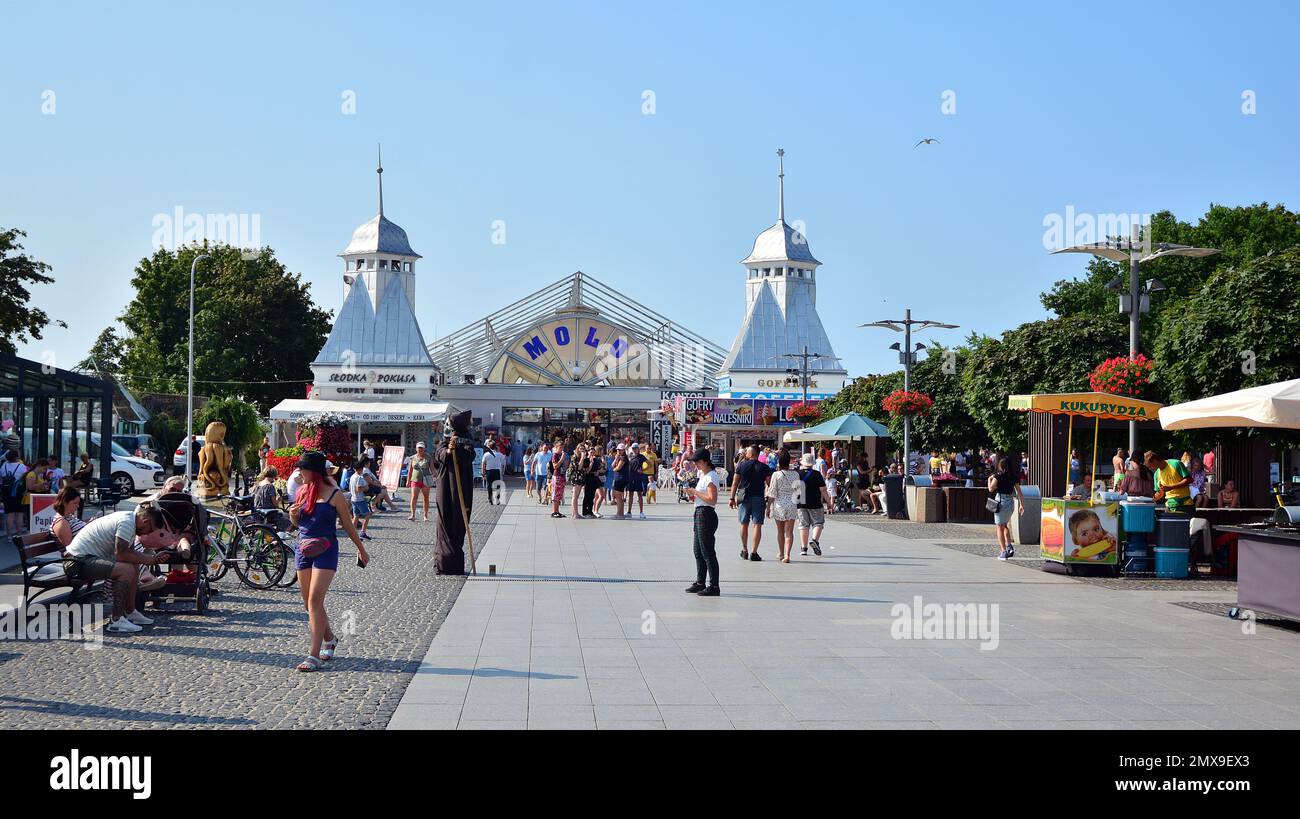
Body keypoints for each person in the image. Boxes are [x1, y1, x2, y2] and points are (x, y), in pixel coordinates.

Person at [288, 451, 369, 671]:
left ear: (313, 471)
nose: (299, 473)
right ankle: (331, 638)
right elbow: (297, 523)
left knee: (314, 600)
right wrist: (293, 515)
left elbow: (347, 525)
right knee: (308, 603)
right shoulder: (302, 491)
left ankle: (313, 655)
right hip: (303, 548)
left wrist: (361, 549)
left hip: (327, 549)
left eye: (302, 469)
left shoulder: (335, 495)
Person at [64, 504, 174, 633]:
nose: (148, 533)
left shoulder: (129, 520)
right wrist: (150, 560)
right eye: (150, 530)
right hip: (76, 563)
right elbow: (121, 554)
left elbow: (130, 554)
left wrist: (153, 558)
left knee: (133, 565)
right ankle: (116, 620)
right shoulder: (127, 523)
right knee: (126, 570)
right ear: (146, 521)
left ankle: (130, 611)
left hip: (83, 559)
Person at [434, 411, 477, 574]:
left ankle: (454, 561)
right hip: (446, 488)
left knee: (459, 522)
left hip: (462, 491)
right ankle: (443, 562)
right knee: (445, 520)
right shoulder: (446, 441)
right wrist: (448, 451)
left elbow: (468, 456)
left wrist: (456, 451)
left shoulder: (467, 442)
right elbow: (439, 454)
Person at [682, 447, 721, 597]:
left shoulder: (711, 477)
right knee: (698, 550)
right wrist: (694, 496)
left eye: (697, 462)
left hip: (706, 514)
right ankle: (700, 582)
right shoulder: (704, 475)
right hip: (699, 512)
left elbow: (712, 500)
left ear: (705, 461)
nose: (696, 465)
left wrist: (696, 492)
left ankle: (714, 585)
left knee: (707, 551)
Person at [729, 445, 771, 561]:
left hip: (744, 498)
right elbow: (769, 484)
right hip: (758, 498)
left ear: (751, 454)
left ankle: (744, 549)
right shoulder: (764, 467)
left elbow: (734, 483)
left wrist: (732, 498)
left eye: (747, 452)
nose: (746, 454)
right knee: (757, 525)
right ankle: (754, 552)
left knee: (744, 524)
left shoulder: (741, 465)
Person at [765, 449, 801, 562]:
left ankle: (781, 553)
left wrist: (768, 507)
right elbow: (798, 491)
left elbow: (772, 492)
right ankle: (787, 555)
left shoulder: (776, 474)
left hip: (779, 505)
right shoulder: (795, 474)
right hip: (792, 504)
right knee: (789, 532)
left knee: (780, 531)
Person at [796, 452, 832, 558]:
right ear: (812, 463)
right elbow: (823, 490)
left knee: (803, 525)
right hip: (815, 502)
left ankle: (803, 548)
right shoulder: (817, 474)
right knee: (818, 523)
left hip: (801, 503)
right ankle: (815, 540)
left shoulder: (797, 474)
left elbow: (794, 490)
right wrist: (829, 503)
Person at [2, 450, 30, 539]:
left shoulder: (3, 466)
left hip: (6, 491)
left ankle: (9, 536)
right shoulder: (21, 466)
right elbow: (26, 477)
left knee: (9, 514)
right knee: (19, 514)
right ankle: (19, 535)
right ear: (16, 457)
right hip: (18, 491)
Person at [348, 458, 374, 540]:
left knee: (356, 516)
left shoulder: (352, 476)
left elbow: (350, 488)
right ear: (361, 469)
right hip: (359, 499)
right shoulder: (359, 477)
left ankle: (352, 534)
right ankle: (363, 532)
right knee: (368, 514)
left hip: (353, 498)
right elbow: (358, 489)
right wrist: (366, 487)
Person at [407, 442, 433, 522]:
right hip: (415, 479)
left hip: (426, 480)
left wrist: (437, 476)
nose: (420, 449)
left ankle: (425, 515)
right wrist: (408, 480)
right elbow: (410, 470)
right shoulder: (413, 458)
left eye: (421, 448)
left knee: (426, 498)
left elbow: (432, 469)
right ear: (416, 449)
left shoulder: (428, 457)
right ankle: (413, 514)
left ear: (424, 449)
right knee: (414, 497)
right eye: (419, 448)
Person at [625, 442, 648, 519]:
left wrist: (643, 470)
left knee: (639, 495)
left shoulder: (641, 457)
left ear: (638, 449)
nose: (635, 449)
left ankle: (641, 512)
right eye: (633, 448)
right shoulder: (630, 456)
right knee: (630, 494)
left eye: (636, 448)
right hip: (630, 477)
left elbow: (650, 464)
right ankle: (629, 512)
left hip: (638, 477)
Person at [549, 439, 569, 519]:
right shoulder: (555, 455)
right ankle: (554, 511)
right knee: (555, 494)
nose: (561, 449)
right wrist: (562, 458)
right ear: (556, 448)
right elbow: (555, 466)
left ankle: (557, 511)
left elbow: (565, 466)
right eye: (560, 448)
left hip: (562, 475)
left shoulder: (562, 455)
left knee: (559, 494)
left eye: (562, 448)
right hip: (557, 476)